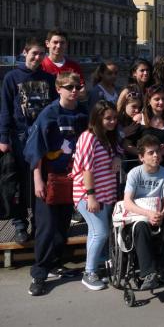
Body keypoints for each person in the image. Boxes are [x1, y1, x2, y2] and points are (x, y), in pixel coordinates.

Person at [23, 71, 89, 296]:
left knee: (63, 224)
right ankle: (39, 273)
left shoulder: (83, 113)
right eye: (69, 87)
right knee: (47, 227)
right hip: (50, 177)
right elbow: (36, 150)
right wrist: (37, 179)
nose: (74, 91)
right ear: (58, 89)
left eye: (77, 87)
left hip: (73, 177)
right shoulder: (48, 114)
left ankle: (56, 262)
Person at [0, 38, 57, 242]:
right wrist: (3, 138)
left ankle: (39, 224)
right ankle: (20, 224)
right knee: (20, 183)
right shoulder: (11, 77)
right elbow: (5, 109)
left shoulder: (48, 79)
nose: (37, 57)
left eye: (41, 54)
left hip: (42, 137)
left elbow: (54, 108)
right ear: (25, 53)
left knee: (41, 181)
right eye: (34, 53)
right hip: (20, 137)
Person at [71, 100, 121, 290]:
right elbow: (87, 171)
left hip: (106, 193)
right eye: (108, 118)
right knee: (100, 233)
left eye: (114, 118)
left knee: (96, 233)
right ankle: (89, 272)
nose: (112, 122)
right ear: (97, 118)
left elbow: (119, 152)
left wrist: (117, 156)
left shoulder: (107, 137)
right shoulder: (88, 137)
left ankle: (95, 267)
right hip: (89, 195)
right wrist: (91, 196)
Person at [123, 135, 164, 290]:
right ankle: (149, 273)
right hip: (140, 212)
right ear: (141, 157)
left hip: (159, 209)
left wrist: (161, 214)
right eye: (151, 153)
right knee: (140, 227)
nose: (156, 155)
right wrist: (148, 214)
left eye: (157, 152)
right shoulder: (134, 174)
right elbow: (128, 202)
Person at [140, 85, 164, 170]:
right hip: (145, 168)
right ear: (149, 101)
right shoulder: (140, 118)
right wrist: (148, 153)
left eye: (163, 99)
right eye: (157, 99)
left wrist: (159, 151)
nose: (161, 102)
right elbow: (127, 144)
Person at [40, 29, 85, 93]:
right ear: (47, 44)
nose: (59, 46)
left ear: (66, 45)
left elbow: (82, 89)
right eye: (55, 42)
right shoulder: (40, 66)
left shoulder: (74, 66)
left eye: (62, 43)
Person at [116, 85, 143, 163]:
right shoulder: (116, 120)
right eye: (133, 106)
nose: (137, 110)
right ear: (125, 105)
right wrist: (122, 133)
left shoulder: (139, 119)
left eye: (139, 107)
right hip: (120, 162)